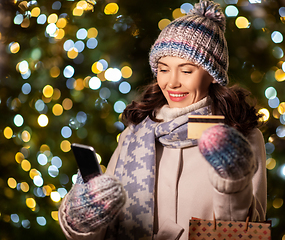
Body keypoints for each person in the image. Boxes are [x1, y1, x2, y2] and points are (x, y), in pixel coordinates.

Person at [58, 0, 267, 239]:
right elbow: (100, 233)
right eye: (164, 69)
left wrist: (233, 182)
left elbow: (245, 232)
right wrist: (83, 218)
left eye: (186, 70)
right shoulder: (133, 136)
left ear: (212, 74)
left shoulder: (241, 137)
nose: (172, 82)